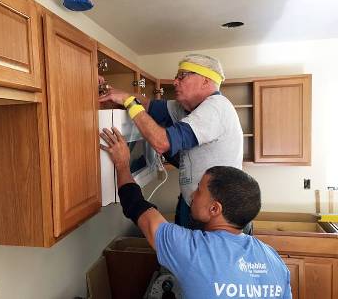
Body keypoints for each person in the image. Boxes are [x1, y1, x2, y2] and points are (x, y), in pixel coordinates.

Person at [99, 127, 292, 299]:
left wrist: (122, 164)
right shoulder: (273, 258)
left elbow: (136, 206)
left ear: (215, 209)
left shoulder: (194, 251)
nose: (192, 194)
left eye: (199, 190)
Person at [99, 54, 245, 231]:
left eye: (182, 76)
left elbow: (162, 142)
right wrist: (109, 91)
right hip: (192, 204)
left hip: (216, 218)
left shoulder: (215, 108)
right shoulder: (186, 108)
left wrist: (128, 101)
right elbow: (148, 105)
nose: (175, 81)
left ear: (206, 80)